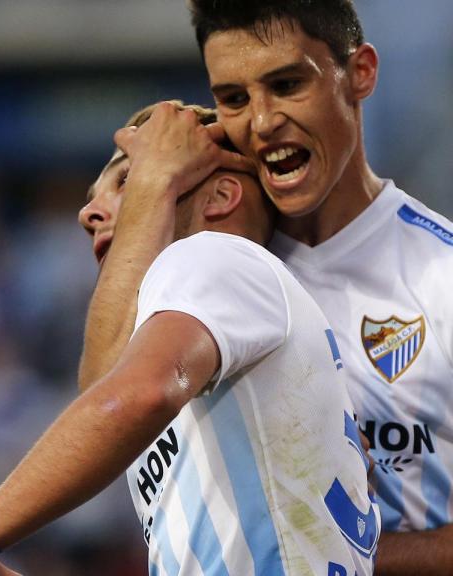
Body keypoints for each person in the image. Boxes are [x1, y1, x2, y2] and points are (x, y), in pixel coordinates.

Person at [0, 101, 378, 576]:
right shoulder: (225, 353)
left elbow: (114, 391)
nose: (87, 213)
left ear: (221, 197)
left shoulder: (213, 256)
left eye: (126, 179)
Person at [178, 2, 453, 573]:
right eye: (233, 98)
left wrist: (327, 556)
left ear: (360, 74)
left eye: (286, 84)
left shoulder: (441, 274)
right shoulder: (211, 276)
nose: (261, 121)